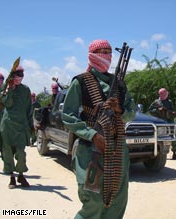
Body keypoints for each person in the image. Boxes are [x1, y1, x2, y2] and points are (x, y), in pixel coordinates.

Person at [62, 39, 136, 219]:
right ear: (92, 55)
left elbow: (131, 112)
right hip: (90, 150)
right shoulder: (81, 81)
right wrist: (93, 136)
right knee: (93, 201)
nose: (107, 56)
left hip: (117, 149)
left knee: (116, 201)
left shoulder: (119, 84)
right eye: (102, 52)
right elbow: (68, 116)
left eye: (109, 52)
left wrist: (120, 110)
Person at [0, 65, 32, 189]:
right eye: (18, 75)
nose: (20, 78)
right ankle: (12, 177)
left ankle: (21, 174)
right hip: (7, 125)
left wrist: (31, 126)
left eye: (22, 75)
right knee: (8, 152)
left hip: (21, 126)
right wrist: (10, 89)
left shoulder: (26, 90)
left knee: (21, 153)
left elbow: (29, 109)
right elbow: (6, 103)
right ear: (12, 76)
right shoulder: (6, 88)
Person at [148, 88, 176, 160]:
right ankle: (157, 154)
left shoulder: (169, 102)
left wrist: (172, 113)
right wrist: (157, 110)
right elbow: (150, 110)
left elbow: (171, 110)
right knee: (158, 138)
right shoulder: (156, 102)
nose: (165, 95)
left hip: (169, 121)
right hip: (160, 122)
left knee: (174, 136)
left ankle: (174, 153)